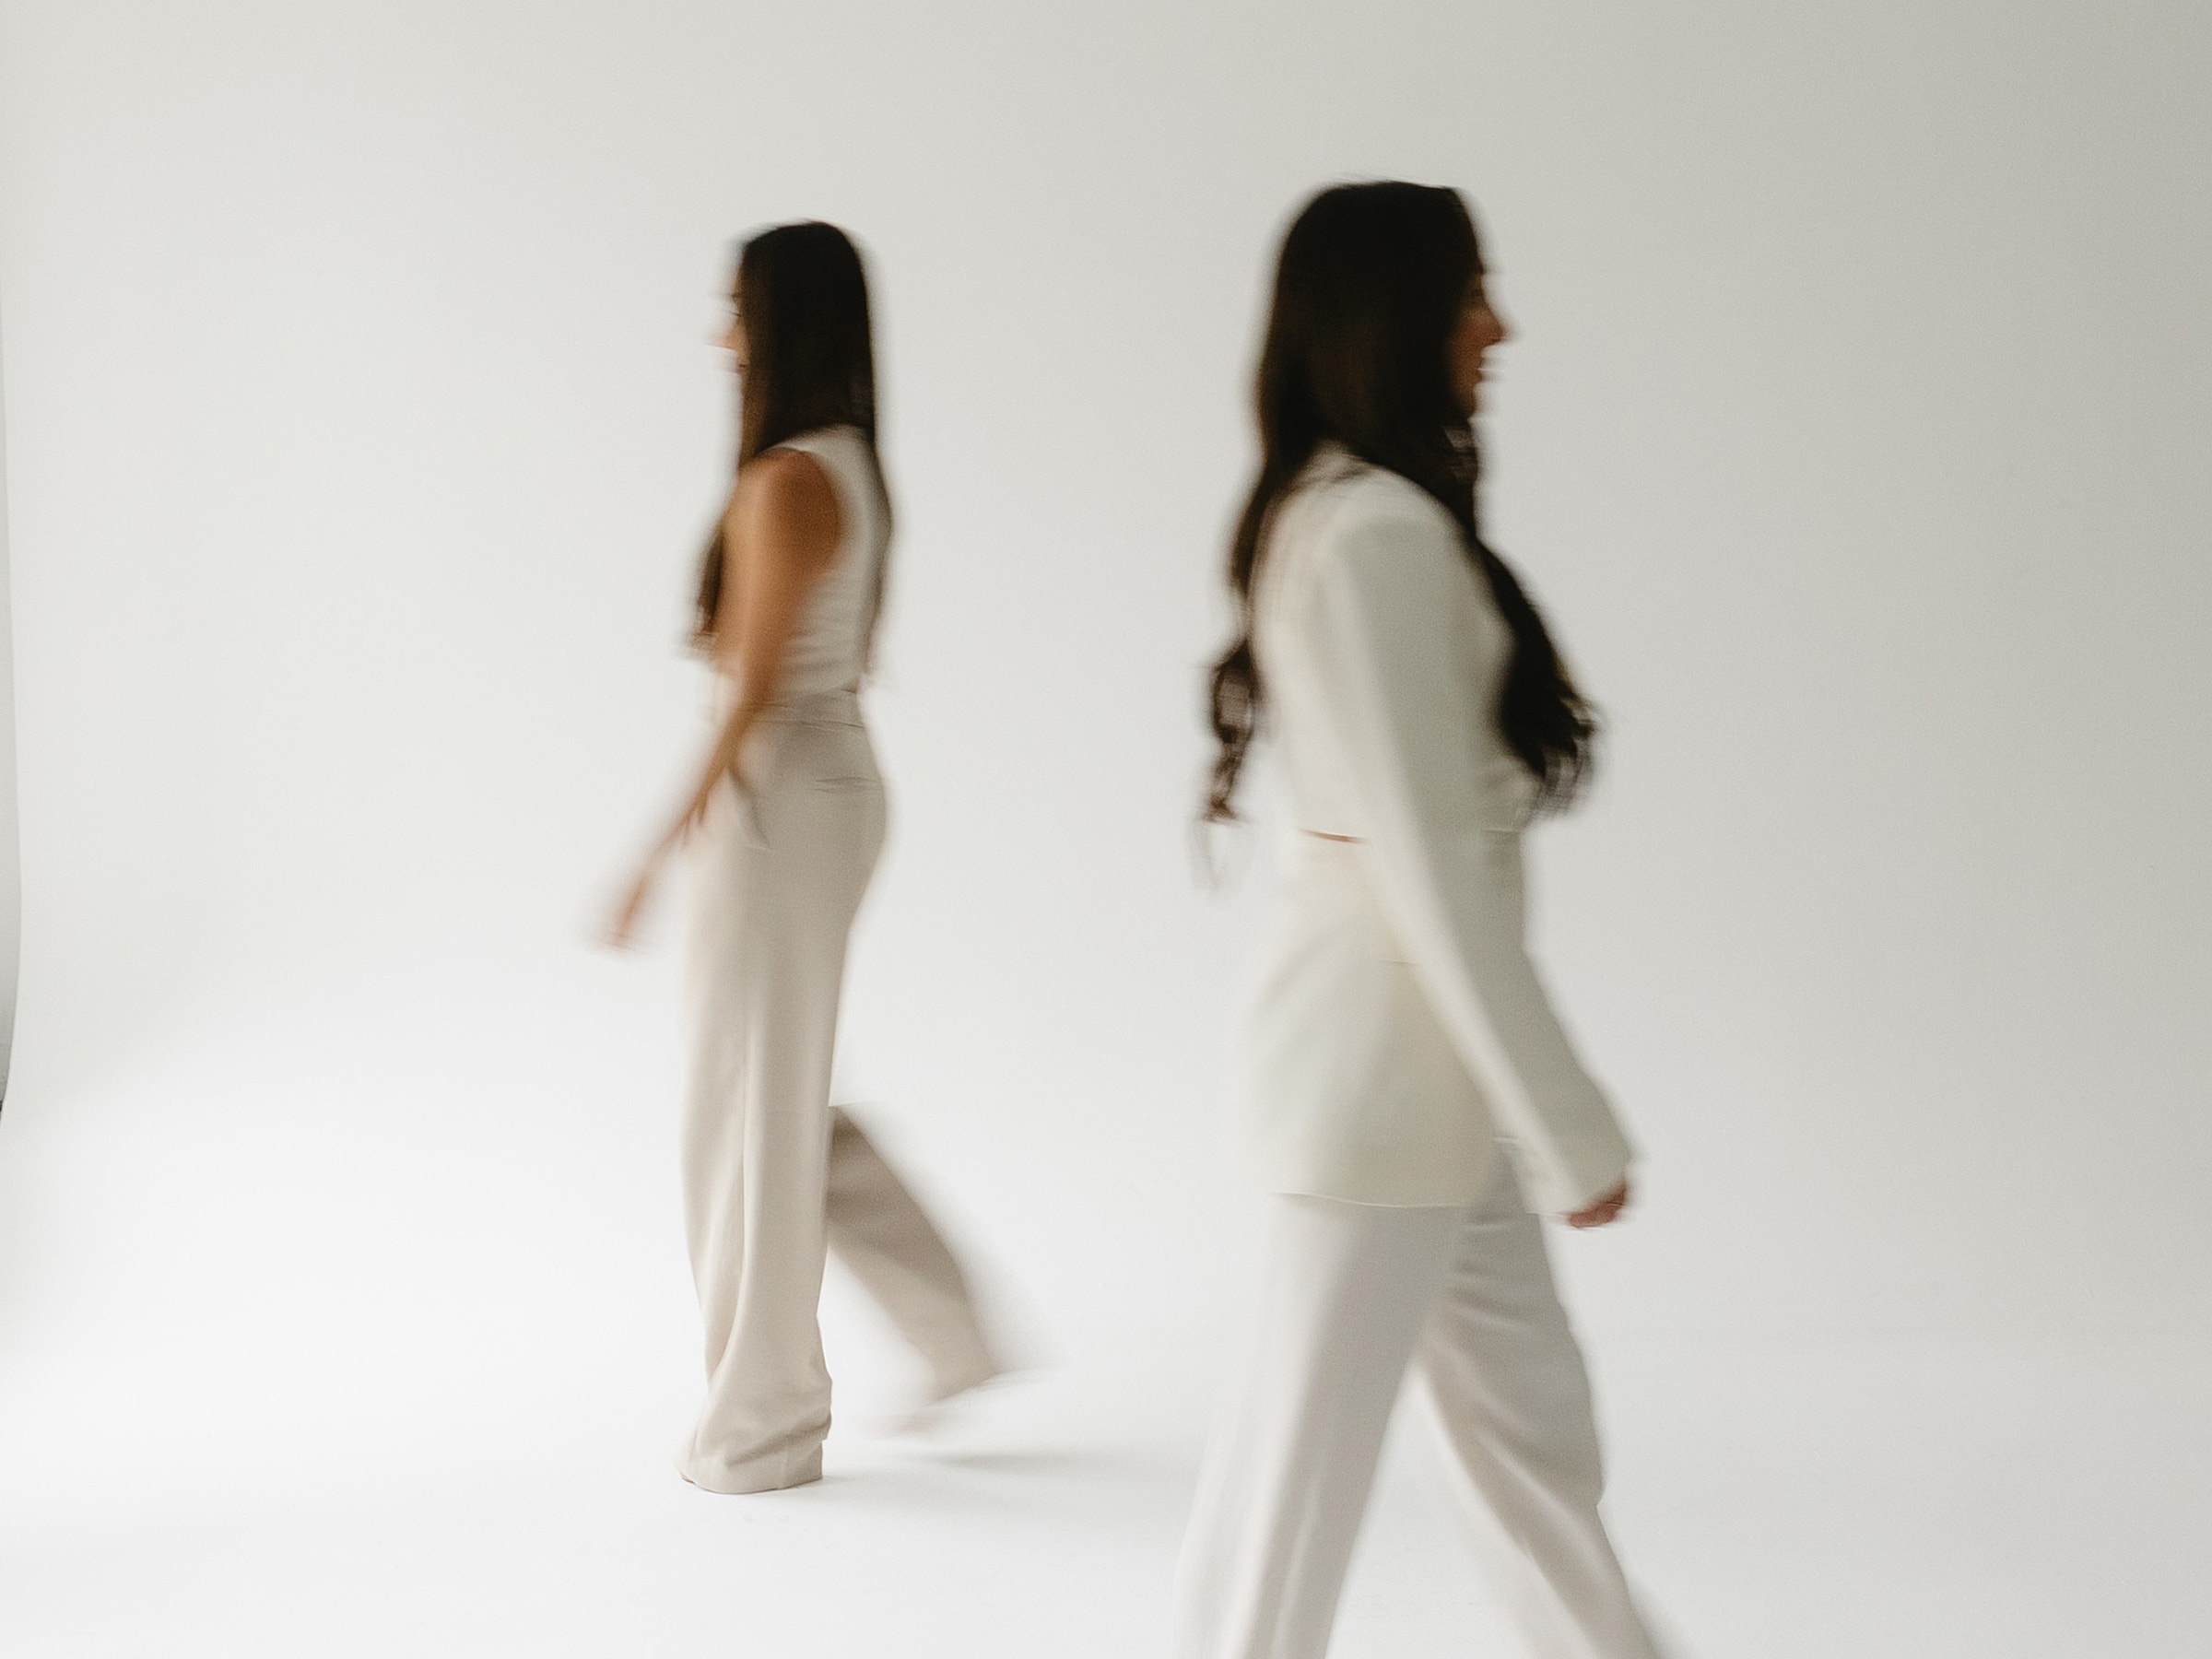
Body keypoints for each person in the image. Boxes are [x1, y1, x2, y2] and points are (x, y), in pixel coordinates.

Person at [1173, 182, 1667, 1657]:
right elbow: (1432, 867)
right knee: (1288, 1497)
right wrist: (1571, 1127)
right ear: (1394, 316)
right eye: (1471, 294)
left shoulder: (1348, 513)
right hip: (1386, 1076)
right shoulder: (1373, 531)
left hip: (1426, 1083)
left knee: (1533, 1448)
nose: (1496, 327)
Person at [608, 221, 1000, 1494]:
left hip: (782, 795)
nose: (721, 337)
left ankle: (763, 1424)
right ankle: (948, 1325)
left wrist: (655, 850)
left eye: (737, 311)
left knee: (741, 1117)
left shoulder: (788, 479)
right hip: (824, 786)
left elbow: (752, 691)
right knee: (769, 1105)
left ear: (783, 322)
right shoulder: (847, 464)